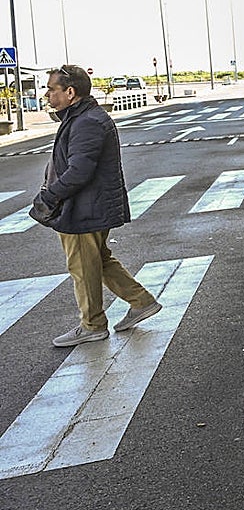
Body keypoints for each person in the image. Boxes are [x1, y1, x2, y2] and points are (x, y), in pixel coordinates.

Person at [34, 65, 162, 348]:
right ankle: (142, 301)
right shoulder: (82, 117)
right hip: (89, 205)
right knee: (99, 260)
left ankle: (92, 325)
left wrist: (50, 196)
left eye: (52, 89)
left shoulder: (86, 121)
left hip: (83, 208)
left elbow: (79, 171)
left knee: (82, 266)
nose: (47, 94)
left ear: (70, 92)